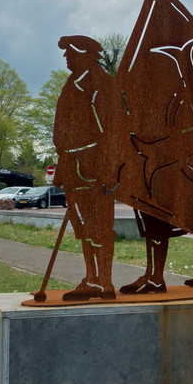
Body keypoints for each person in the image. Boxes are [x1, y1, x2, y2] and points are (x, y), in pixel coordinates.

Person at [53, 35, 127, 301]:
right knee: (83, 226)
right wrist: (62, 167)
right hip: (72, 166)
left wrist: (110, 169)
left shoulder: (102, 86)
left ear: (84, 54)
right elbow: (62, 129)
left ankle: (104, 281)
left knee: (100, 227)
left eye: (70, 53)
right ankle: (91, 277)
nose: (66, 57)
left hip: (94, 167)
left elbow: (114, 131)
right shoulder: (72, 83)